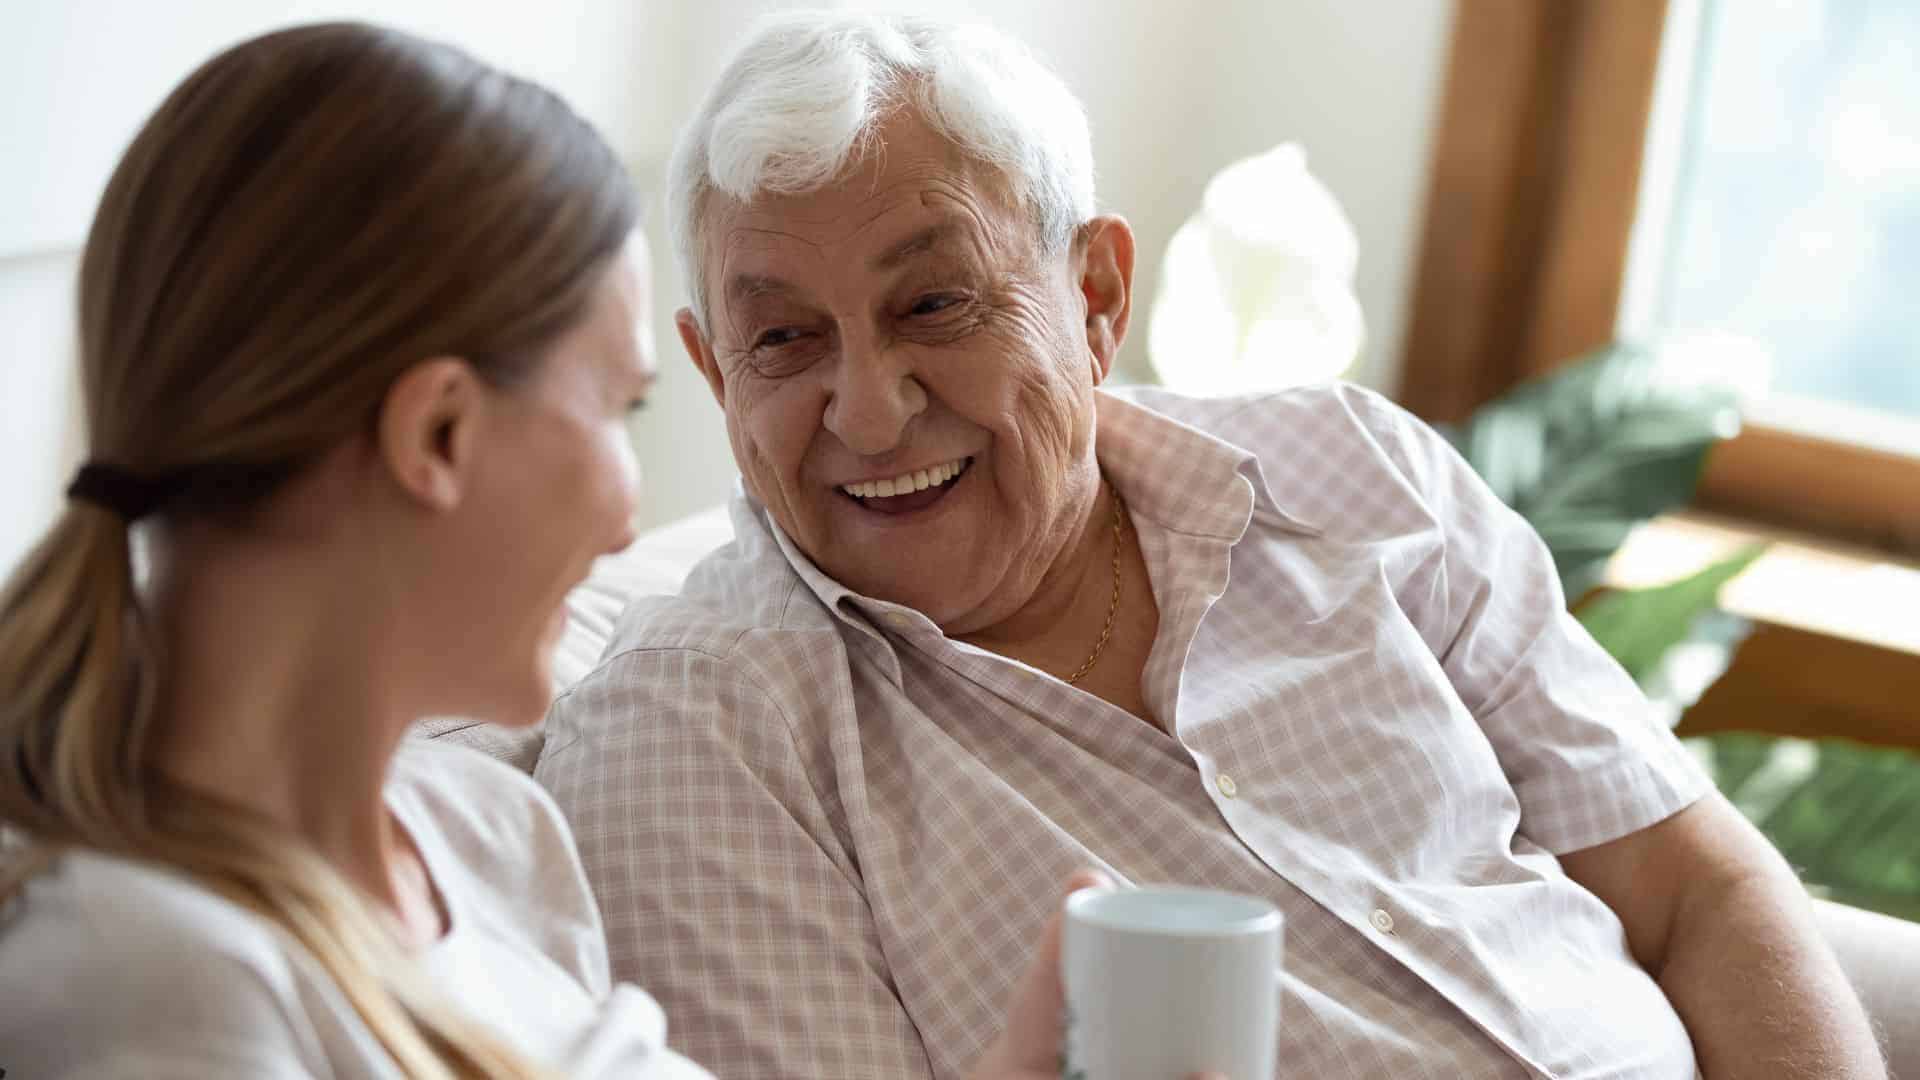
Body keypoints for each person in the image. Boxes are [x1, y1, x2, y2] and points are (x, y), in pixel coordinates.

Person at [535, 11, 1889, 1080]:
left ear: (1097, 294)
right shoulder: (698, 735)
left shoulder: (1351, 474)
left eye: (936, 304)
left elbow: (1698, 892)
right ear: (717, 378)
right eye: (786, 339)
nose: (871, 409)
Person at [0, 22, 1094, 1080]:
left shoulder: (484, 839)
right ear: (438, 434)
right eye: (620, 407)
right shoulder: (155, 977)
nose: (630, 521)